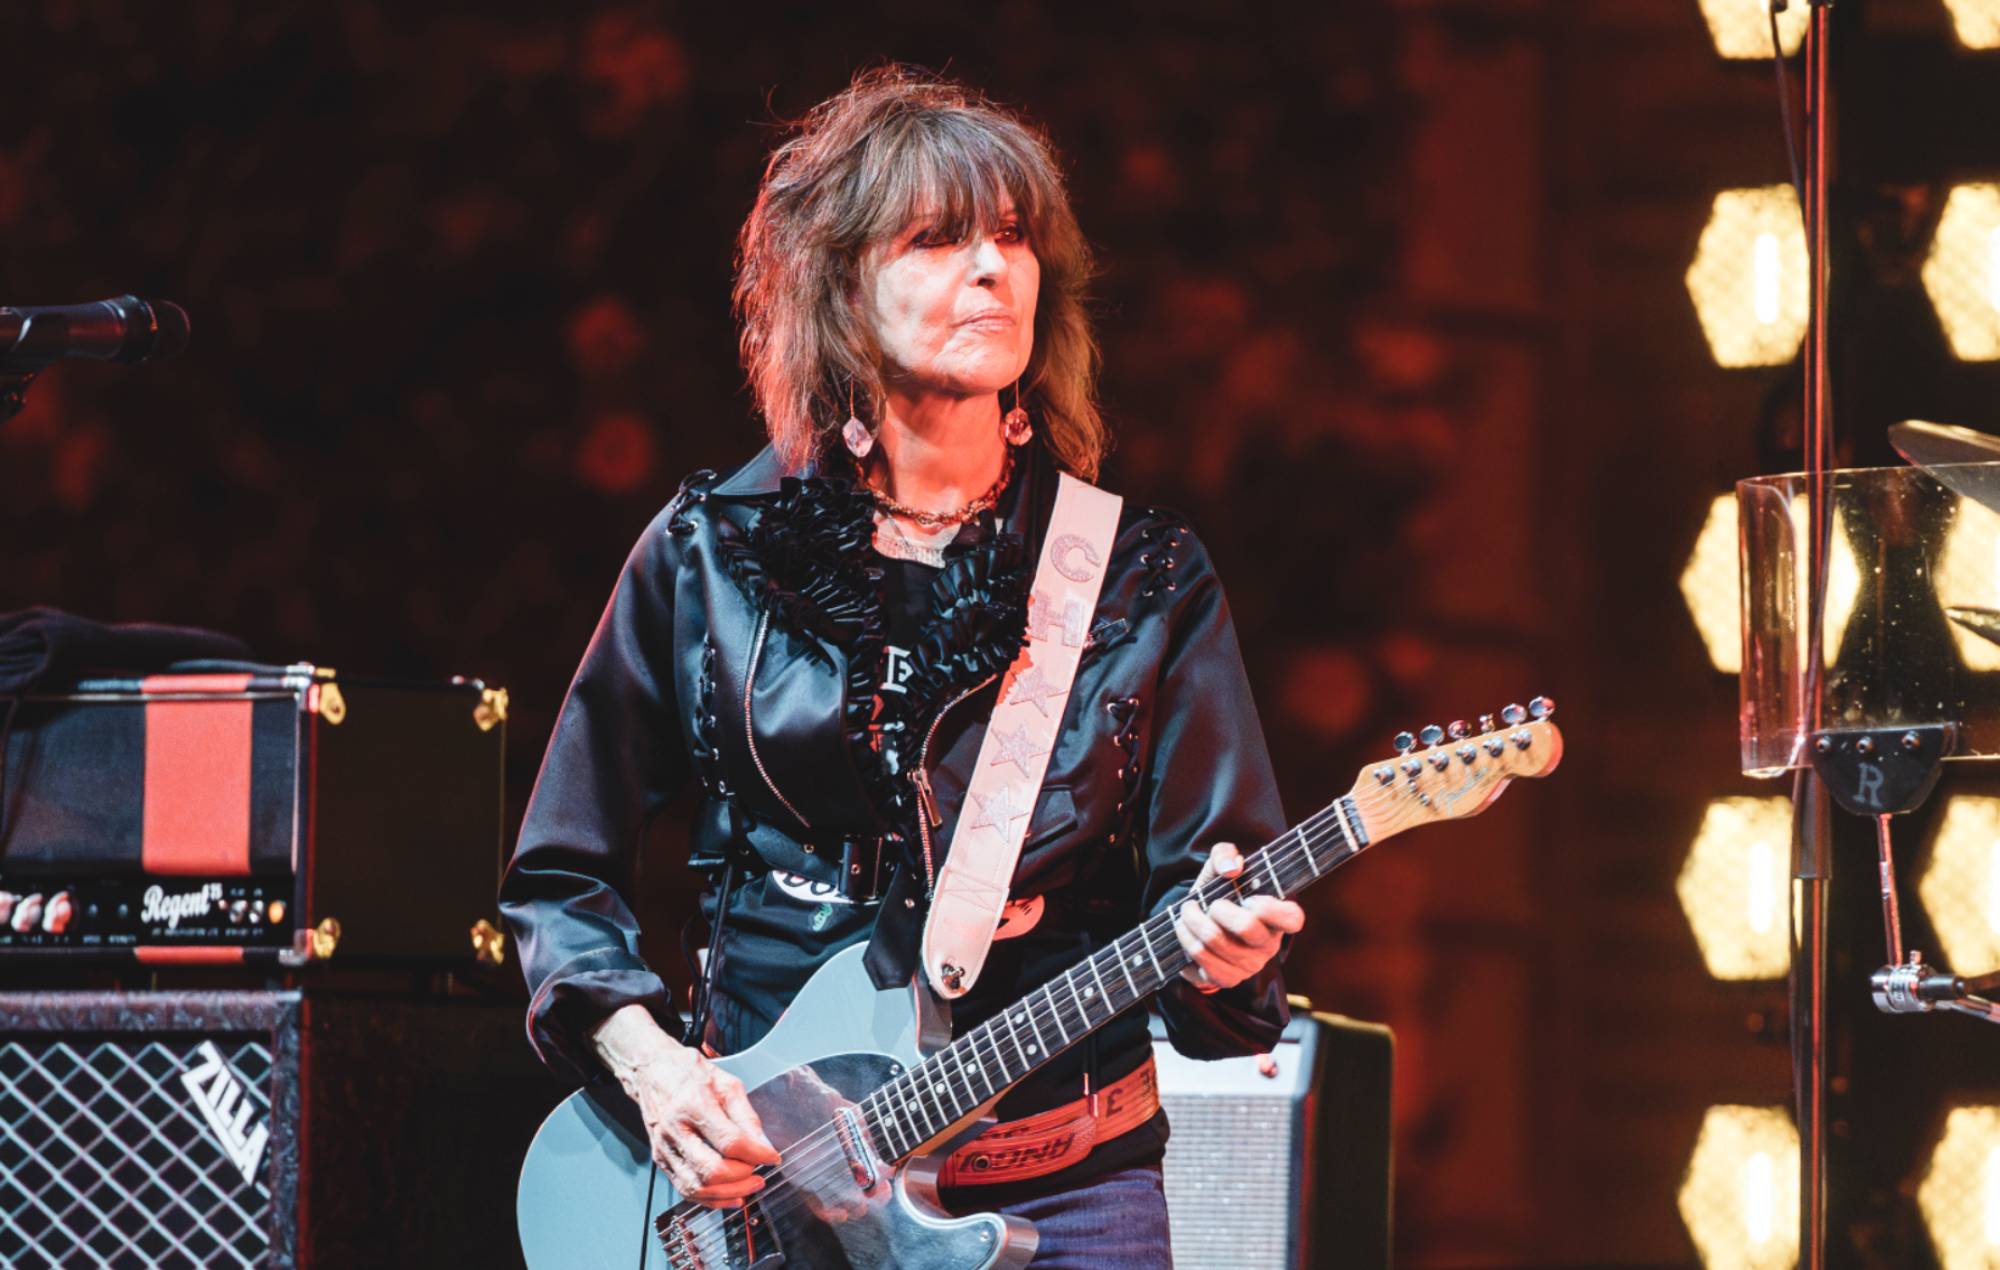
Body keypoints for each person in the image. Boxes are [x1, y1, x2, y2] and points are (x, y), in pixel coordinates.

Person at [499, 65, 1304, 1269]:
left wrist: (1231, 956)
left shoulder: (1136, 576)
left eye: (1015, 238)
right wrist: (655, 1072)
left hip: (1067, 1197)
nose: (991, 268)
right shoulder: (710, 551)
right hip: (759, 1208)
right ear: (839, 288)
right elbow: (560, 877)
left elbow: (1214, 941)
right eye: (936, 238)